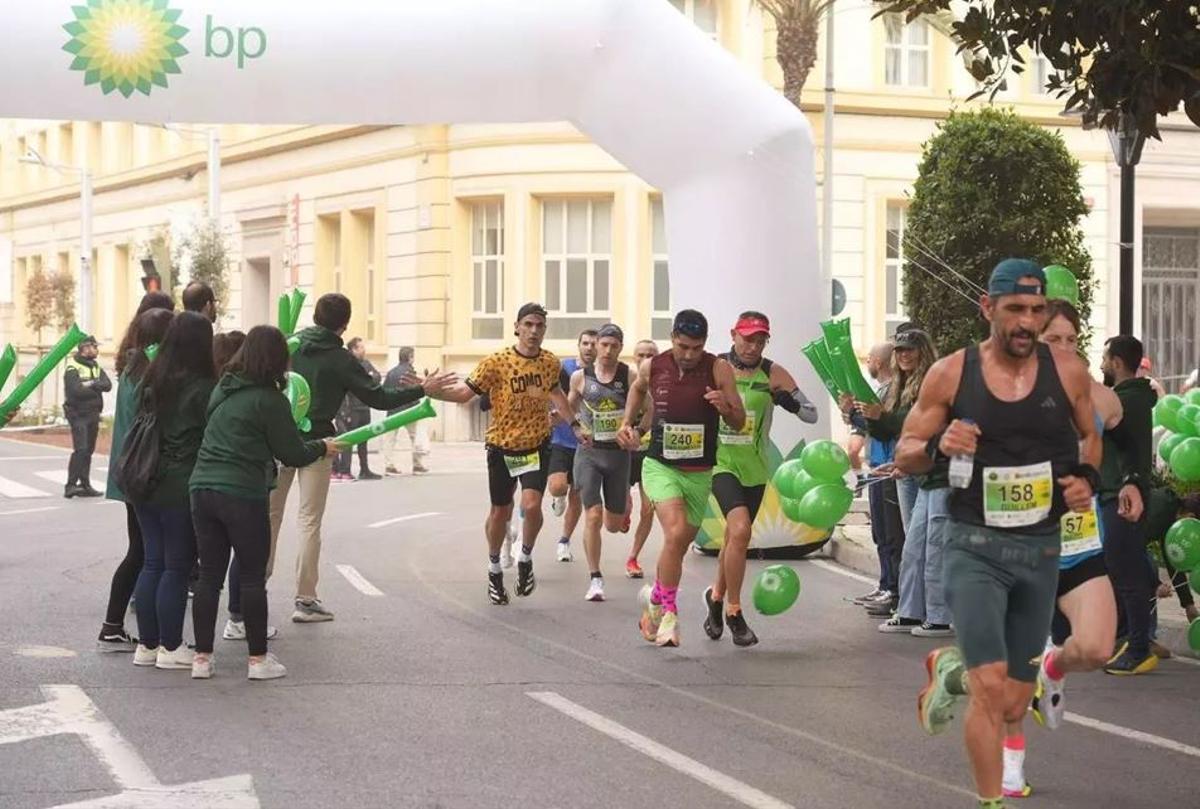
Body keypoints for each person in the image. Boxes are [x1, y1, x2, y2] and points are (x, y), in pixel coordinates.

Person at [895, 259, 1099, 809]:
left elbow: (1089, 436)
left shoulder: (1068, 372)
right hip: (974, 547)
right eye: (1015, 309)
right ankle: (991, 801)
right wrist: (939, 446)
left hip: (1039, 549)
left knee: (1011, 701)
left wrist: (1086, 478)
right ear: (988, 308)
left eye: (1036, 310)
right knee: (991, 690)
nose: (1026, 322)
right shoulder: (952, 374)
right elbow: (905, 453)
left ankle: (951, 674)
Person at [1001, 298, 1123, 798]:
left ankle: (1054, 667)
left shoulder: (1090, 395)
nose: (1065, 348)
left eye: (1073, 340)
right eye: (1054, 339)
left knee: (1096, 648)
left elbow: (1119, 417)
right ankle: (1011, 762)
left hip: (1078, 546)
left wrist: (1133, 481)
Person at [271, 293, 451, 623]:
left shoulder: (289, 345)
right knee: (309, 521)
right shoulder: (341, 359)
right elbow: (378, 398)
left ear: (315, 317)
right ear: (344, 325)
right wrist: (422, 389)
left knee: (270, 517)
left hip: (279, 439)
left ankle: (249, 594)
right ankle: (305, 600)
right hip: (320, 443)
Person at [190, 326, 343, 681]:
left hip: (202, 487)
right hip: (242, 491)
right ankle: (258, 660)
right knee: (251, 576)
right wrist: (322, 446)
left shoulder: (223, 388)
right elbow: (292, 452)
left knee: (209, 576)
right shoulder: (269, 400)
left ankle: (201, 658)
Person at [440, 303, 586, 604]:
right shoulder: (496, 362)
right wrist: (429, 390)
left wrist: (574, 424)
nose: (534, 331)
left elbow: (557, 394)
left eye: (539, 326)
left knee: (531, 506)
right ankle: (494, 568)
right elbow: (464, 394)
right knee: (500, 512)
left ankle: (525, 557)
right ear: (517, 327)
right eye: (528, 325)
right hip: (502, 446)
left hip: (536, 445)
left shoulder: (549, 362)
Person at [617, 309, 744, 648]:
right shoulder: (653, 366)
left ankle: (654, 601)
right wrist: (627, 423)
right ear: (672, 338)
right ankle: (669, 614)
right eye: (683, 346)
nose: (689, 355)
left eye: (696, 348)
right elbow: (637, 390)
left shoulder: (718, 368)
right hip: (661, 466)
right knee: (674, 533)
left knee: (679, 544)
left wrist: (725, 407)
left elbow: (739, 420)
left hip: (699, 473)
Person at [703, 311, 817, 647]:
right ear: (733, 335)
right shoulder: (715, 367)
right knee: (740, 530)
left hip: (754, 467)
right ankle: (734, 612)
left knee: (734, 539)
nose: (752, 346)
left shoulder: (773, 372)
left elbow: (812, 414)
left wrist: (790, 403)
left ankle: (716, 597)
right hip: (720, 462)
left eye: (760, 340)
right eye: (747, 338)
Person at [129, 312, 217, 671]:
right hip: (180, 482)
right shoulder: (204, 386)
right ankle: (170, 646)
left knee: (152, 562)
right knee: (176, 567)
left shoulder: (150, 378)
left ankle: (147, 645)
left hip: (143, 478)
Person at [98, 306, 174, 652]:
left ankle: (115, 626)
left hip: (130, 471)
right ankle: (140, 634)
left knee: (142, 552)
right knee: (146, 555)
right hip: (144, 473)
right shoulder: (150, 375)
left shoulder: (133, 368)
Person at [868, 329, 951, 637]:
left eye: (909, 349)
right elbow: (898, 430)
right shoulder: (899, 386)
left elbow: (923, 427)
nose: (903, 355)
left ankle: (939, 616)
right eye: (899, 350)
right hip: (922, 472)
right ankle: (911, 611)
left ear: (923, 352)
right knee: (915, 544)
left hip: (942, 473)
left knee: (934, 545)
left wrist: (881, 418)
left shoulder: (934, 385)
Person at [1098, 335, 1158, 675]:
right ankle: (1131, 639)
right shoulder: (1131, 397)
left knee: (1127, 572)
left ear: (1117, 362)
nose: (1102, 364)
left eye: (1105, 358)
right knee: (1124, 568)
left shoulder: (1124, 401)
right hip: (1116, 493)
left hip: (1121, 495)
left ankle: (1138, 648)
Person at [567, 324, 633, 602]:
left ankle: (622, 504)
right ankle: (595, 578)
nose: (607, 350)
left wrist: (638, 430)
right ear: (597, 346)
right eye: (603, 344)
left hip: (618, 456)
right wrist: (573, 426)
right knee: (593, 516)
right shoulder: (580, 377)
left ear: (620, 348)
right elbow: (569, 406)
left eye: (613, 346)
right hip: (589, 455)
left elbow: (649, 408)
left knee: (613, 525)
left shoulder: (629, 376)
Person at [843, 343, 905, 616]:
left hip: (890, 467)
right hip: (877, 467)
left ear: (879, 361)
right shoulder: (879, 390)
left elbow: (885, 427)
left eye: (869, 358)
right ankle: (885, 584)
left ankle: (894, 590)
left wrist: (856, 416)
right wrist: (851, 414)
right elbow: (872, 427)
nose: (867, 362)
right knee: (880, 532)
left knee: (892, 534)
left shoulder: (894, 391)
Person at [547, 330, 597, 562]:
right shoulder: (563, 368)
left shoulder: (603, 374)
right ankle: (558, 497)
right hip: (560, 440)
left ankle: (564, 541)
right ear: (579, 345)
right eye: (585, 343)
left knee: (577, 496)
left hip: (585, 445)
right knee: (558, 487)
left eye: (594, 344)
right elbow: (549, 393)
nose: (589, 348)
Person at [625, 339, 660, 579]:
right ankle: (623, 511)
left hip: (651, 455)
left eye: (651, 355)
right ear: (634, 357)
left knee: (648, 510)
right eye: (641, 355)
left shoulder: (665, 385)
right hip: (624, 454)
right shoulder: (626, 382)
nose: (646, 359)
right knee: (619, 513)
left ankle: (633, 557)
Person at [63, 335, 111, 498]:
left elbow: (108, 385)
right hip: (78, 413)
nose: (96, 350)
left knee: (89, 450)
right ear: (85, 348)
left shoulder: (96, 366)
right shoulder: (72, 367)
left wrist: (91, 384)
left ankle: (85, 485)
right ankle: (70, 486)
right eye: (94, 347)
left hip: (93, 413)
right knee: (81, 449)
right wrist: (95, 388)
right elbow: (75, 391)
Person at [337, 337, 381, 480]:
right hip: (352, 408)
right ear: (353, 349)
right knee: (349, 440)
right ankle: (345, 470)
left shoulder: (366, 363)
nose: (364, 350)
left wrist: (368, 379)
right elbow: (352, 384)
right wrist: (367, 379)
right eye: (361, 347)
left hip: (364, 407)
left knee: (364, 440)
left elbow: (377, 377)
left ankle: (364, 469)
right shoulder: (347, 364)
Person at [383, 346, 431, 475]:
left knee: (390, 439)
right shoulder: (410, 372)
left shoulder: (391, 372)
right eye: (413, 356)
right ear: (410, 357)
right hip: (408, 410)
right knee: (415, 437)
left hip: (393, 410)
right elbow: (413, 391)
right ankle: (417, 465)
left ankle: (389, 465)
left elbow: (384, 390)